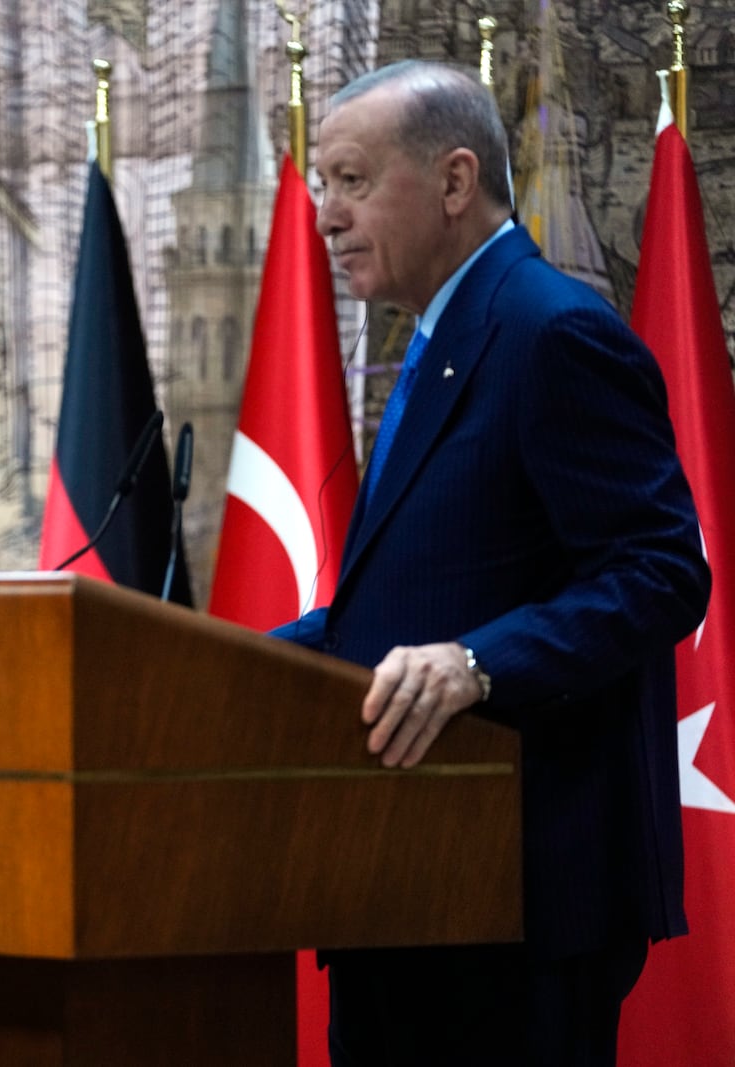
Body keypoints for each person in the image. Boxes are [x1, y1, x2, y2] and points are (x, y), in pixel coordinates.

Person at [270, 61, 711, 1064]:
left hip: (520, 888)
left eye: (348, 181)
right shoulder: (441, 337)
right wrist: (207, 658)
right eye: (318, 190)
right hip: (413, 882)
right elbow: (409, 600)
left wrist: (477, 663)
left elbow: (659, 570)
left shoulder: (549, 333)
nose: (324, 217)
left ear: (454, 180)